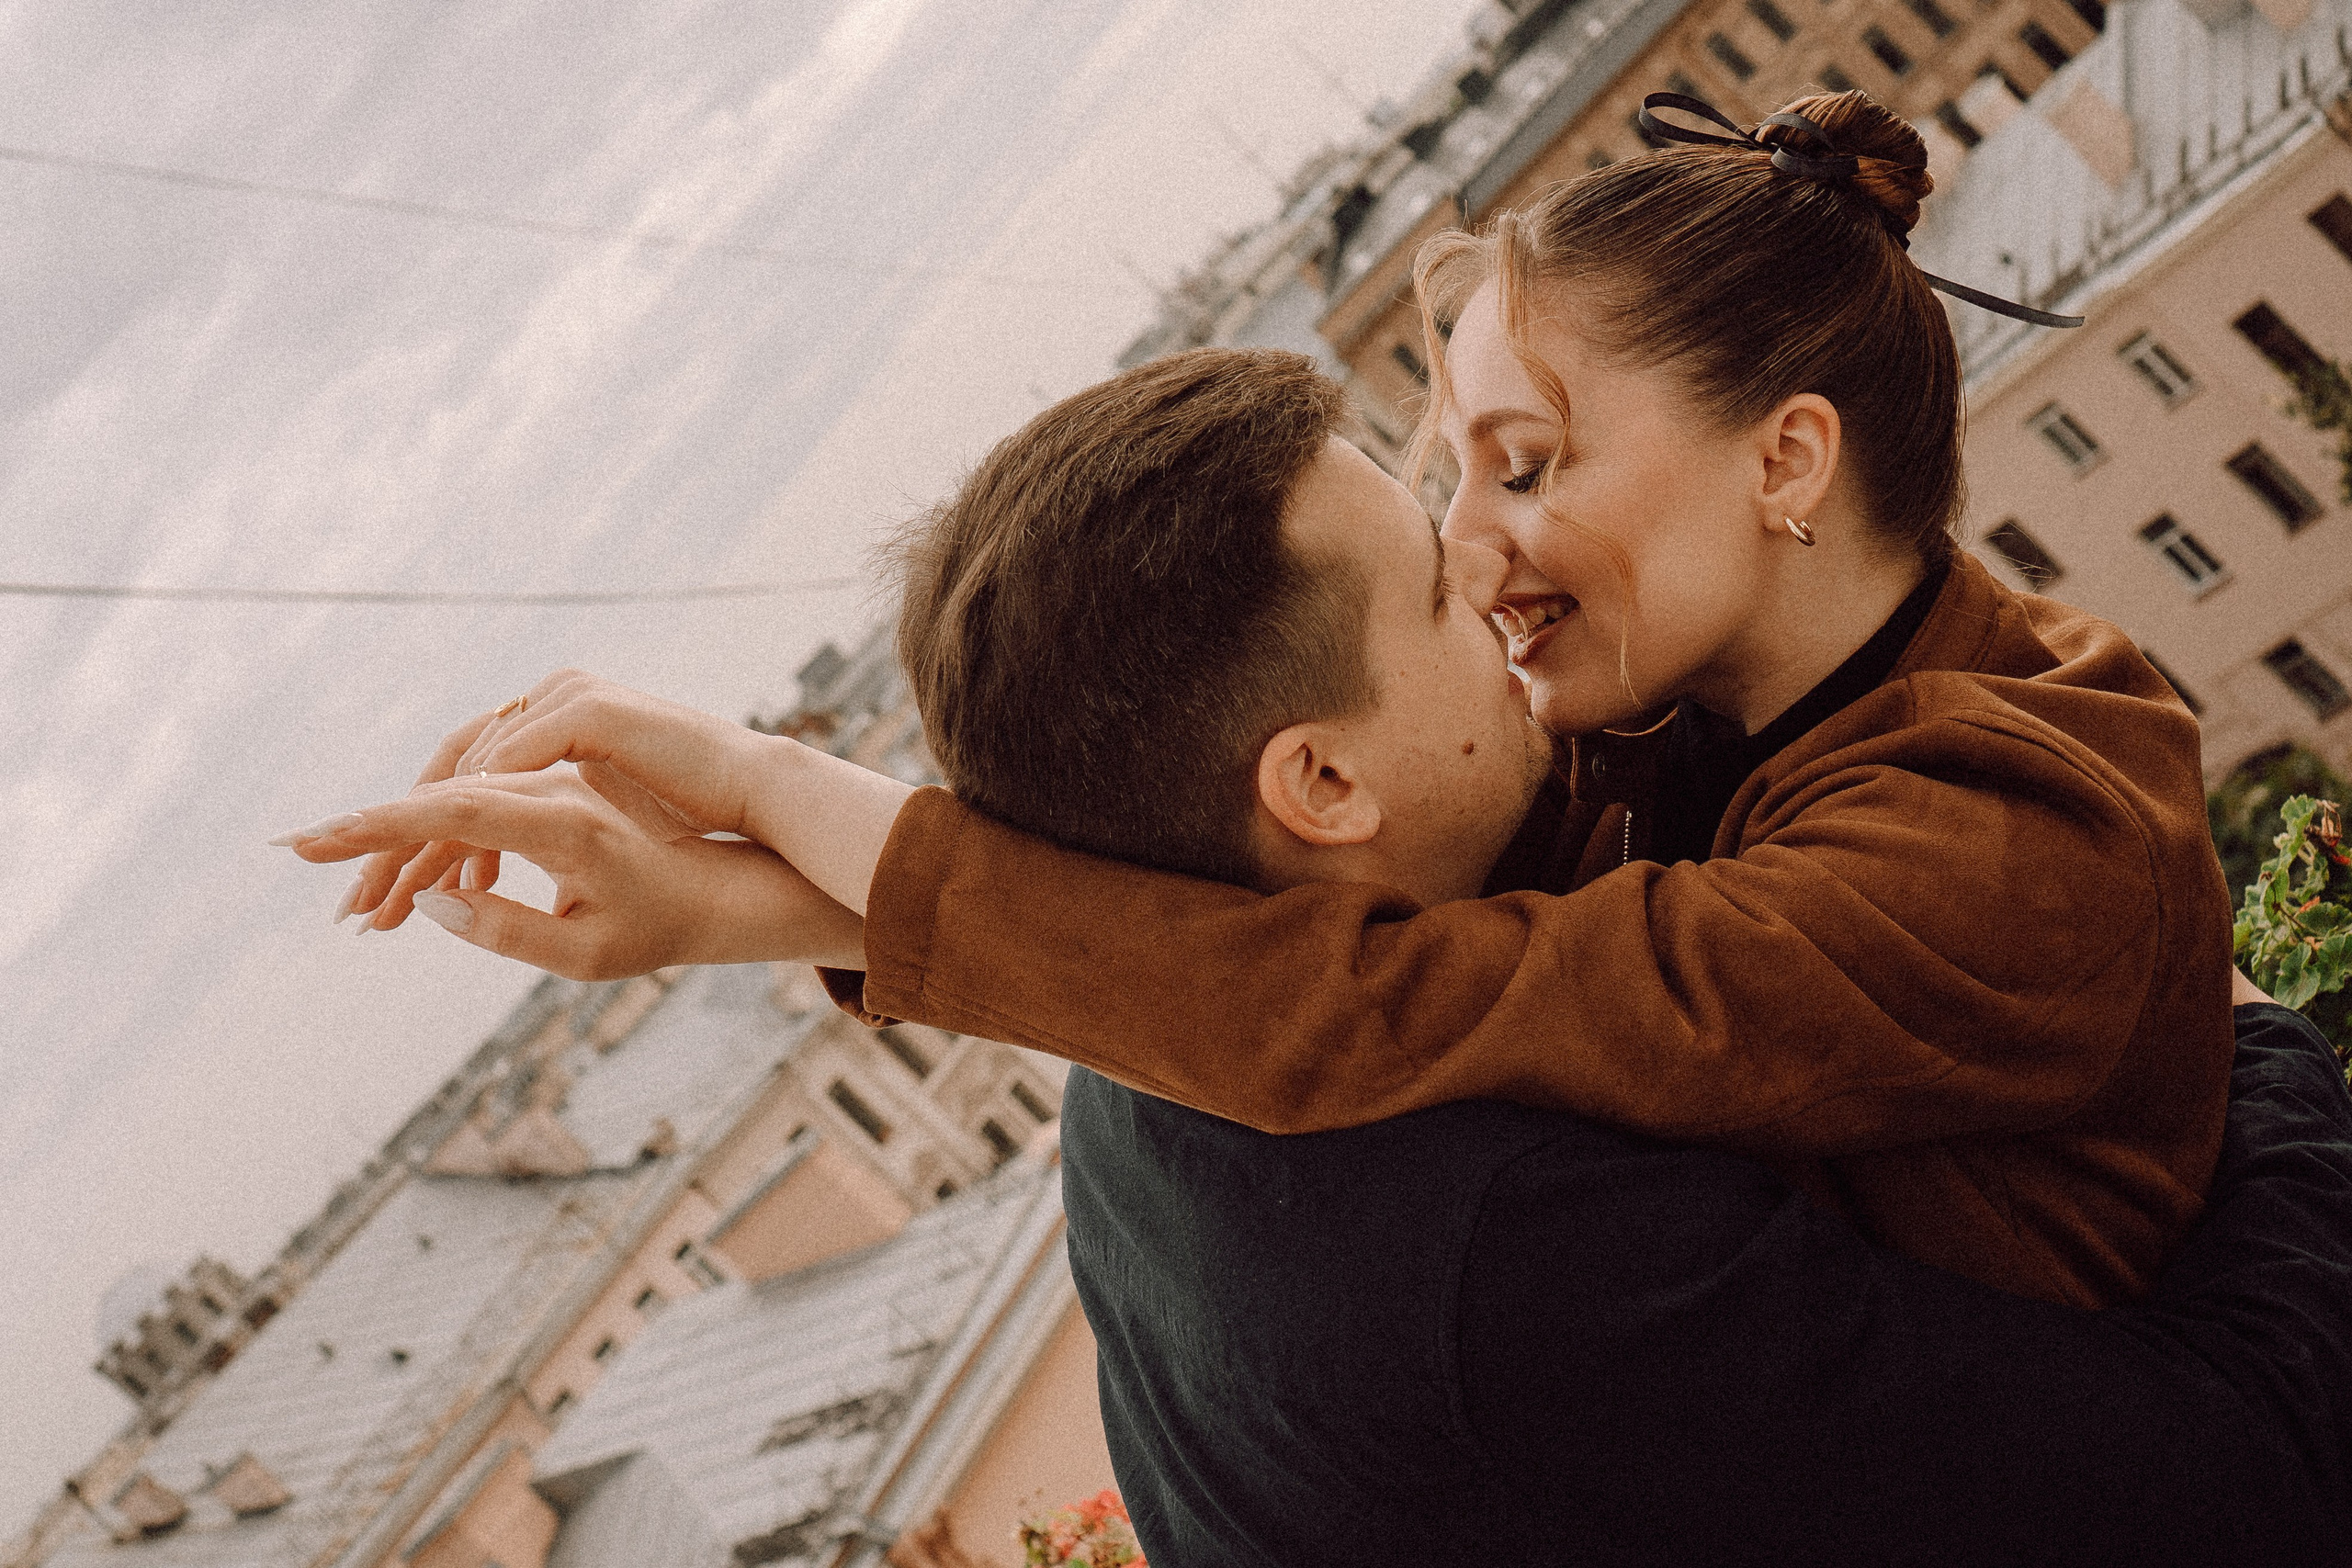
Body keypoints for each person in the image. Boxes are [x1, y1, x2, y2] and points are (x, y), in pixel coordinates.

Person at [277, 347, 2352, 1562]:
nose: (1505, 585)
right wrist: (2235, 1036)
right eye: (1444, 601)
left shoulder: (1147, 1080)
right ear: (1322, 789)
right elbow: (2243, 1471)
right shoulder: (1523, 1240)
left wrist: (786, 875)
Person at [433, 88, 2241, 1312]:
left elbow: (1383, 1003)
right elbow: (1302, 869)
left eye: (1519, 464)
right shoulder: (1741, 725)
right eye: (1452, 467)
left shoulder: (2002, 840)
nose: (1469, 545)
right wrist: (786, 899)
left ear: (1783, 461)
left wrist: (787, 800)